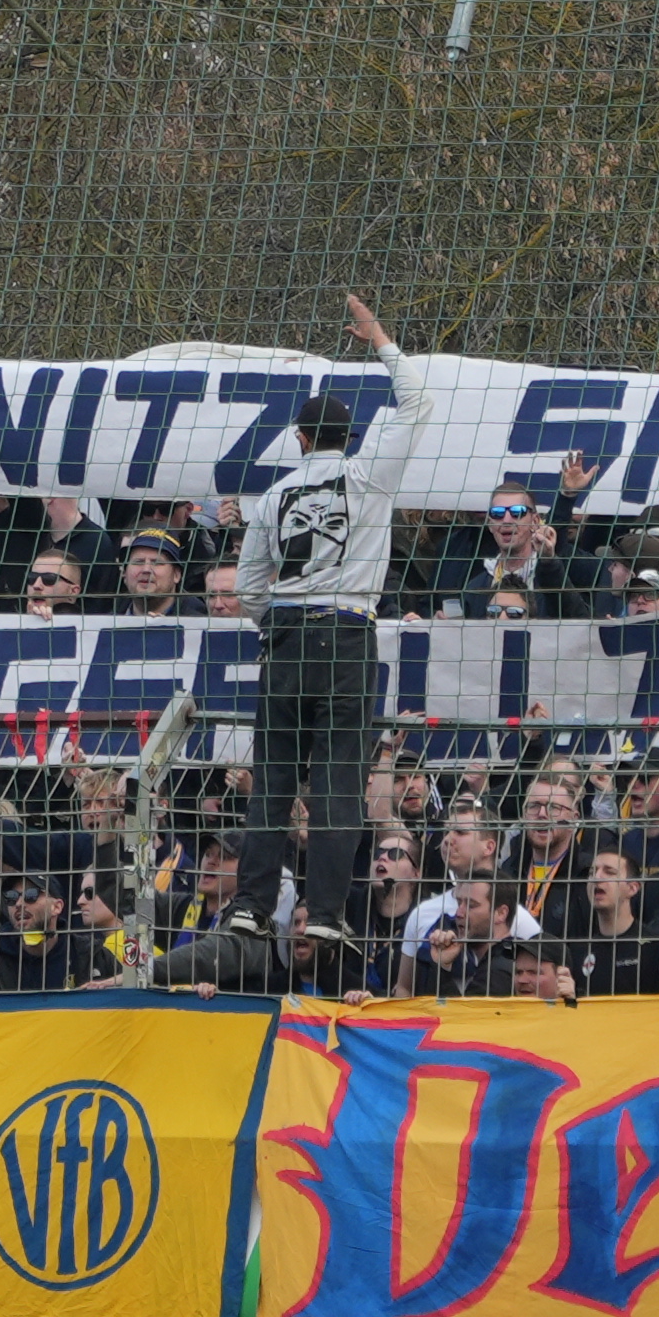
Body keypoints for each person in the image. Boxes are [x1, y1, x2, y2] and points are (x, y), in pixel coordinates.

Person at [233, 292, 433, 932]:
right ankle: (324, 913)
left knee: (272, 780)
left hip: (287, 636)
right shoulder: (371, 474)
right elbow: (418, 401)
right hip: (348, 632)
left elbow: (247, 586)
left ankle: (251, 907)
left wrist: (279, 623)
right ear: (349, 437)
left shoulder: (273, 495)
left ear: (299, 438)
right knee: (337, 782)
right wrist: (378, 338)